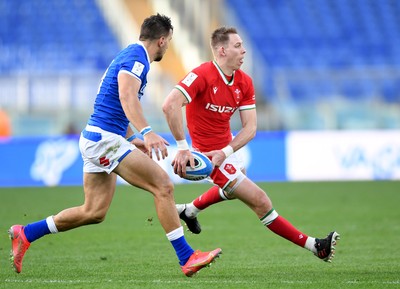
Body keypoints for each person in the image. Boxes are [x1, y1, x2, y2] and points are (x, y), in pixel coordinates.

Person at [8, 14, 221, 278]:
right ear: (163, 40)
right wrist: (148, 132)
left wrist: (134, 139)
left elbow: (117, 106)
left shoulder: (130, 56)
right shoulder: (137, 58)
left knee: (94, 211)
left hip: (97, 137)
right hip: (104, 140)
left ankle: (26, 233)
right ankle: (186, 256)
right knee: (163, 186)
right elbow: (126, 96)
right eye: (169, 43)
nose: (167, 48)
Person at [162, 26, 340, 263]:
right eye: (238, 46)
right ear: (222, 50)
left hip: (224, 151)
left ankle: (190, 210)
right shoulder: (202, 75)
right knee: (261, 201)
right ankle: (316, 246)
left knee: (238, 180)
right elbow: (170, 104)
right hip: (204, 154)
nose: (244, 51)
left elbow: (250, 128)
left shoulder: (244, 82)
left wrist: (225, 152)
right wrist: (183, 147)